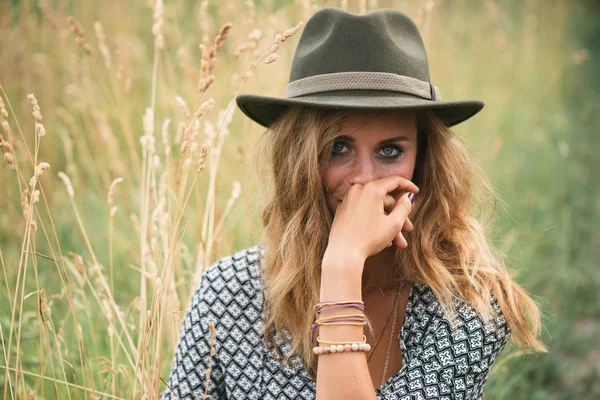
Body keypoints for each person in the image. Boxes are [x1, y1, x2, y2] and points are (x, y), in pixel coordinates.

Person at [162, 7, 546, 400]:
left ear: (423, 161)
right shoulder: (228, 293)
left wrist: (343, 265)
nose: (364, 177)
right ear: (299, 159)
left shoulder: (465, 302)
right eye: (338, 147)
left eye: (390, 151)